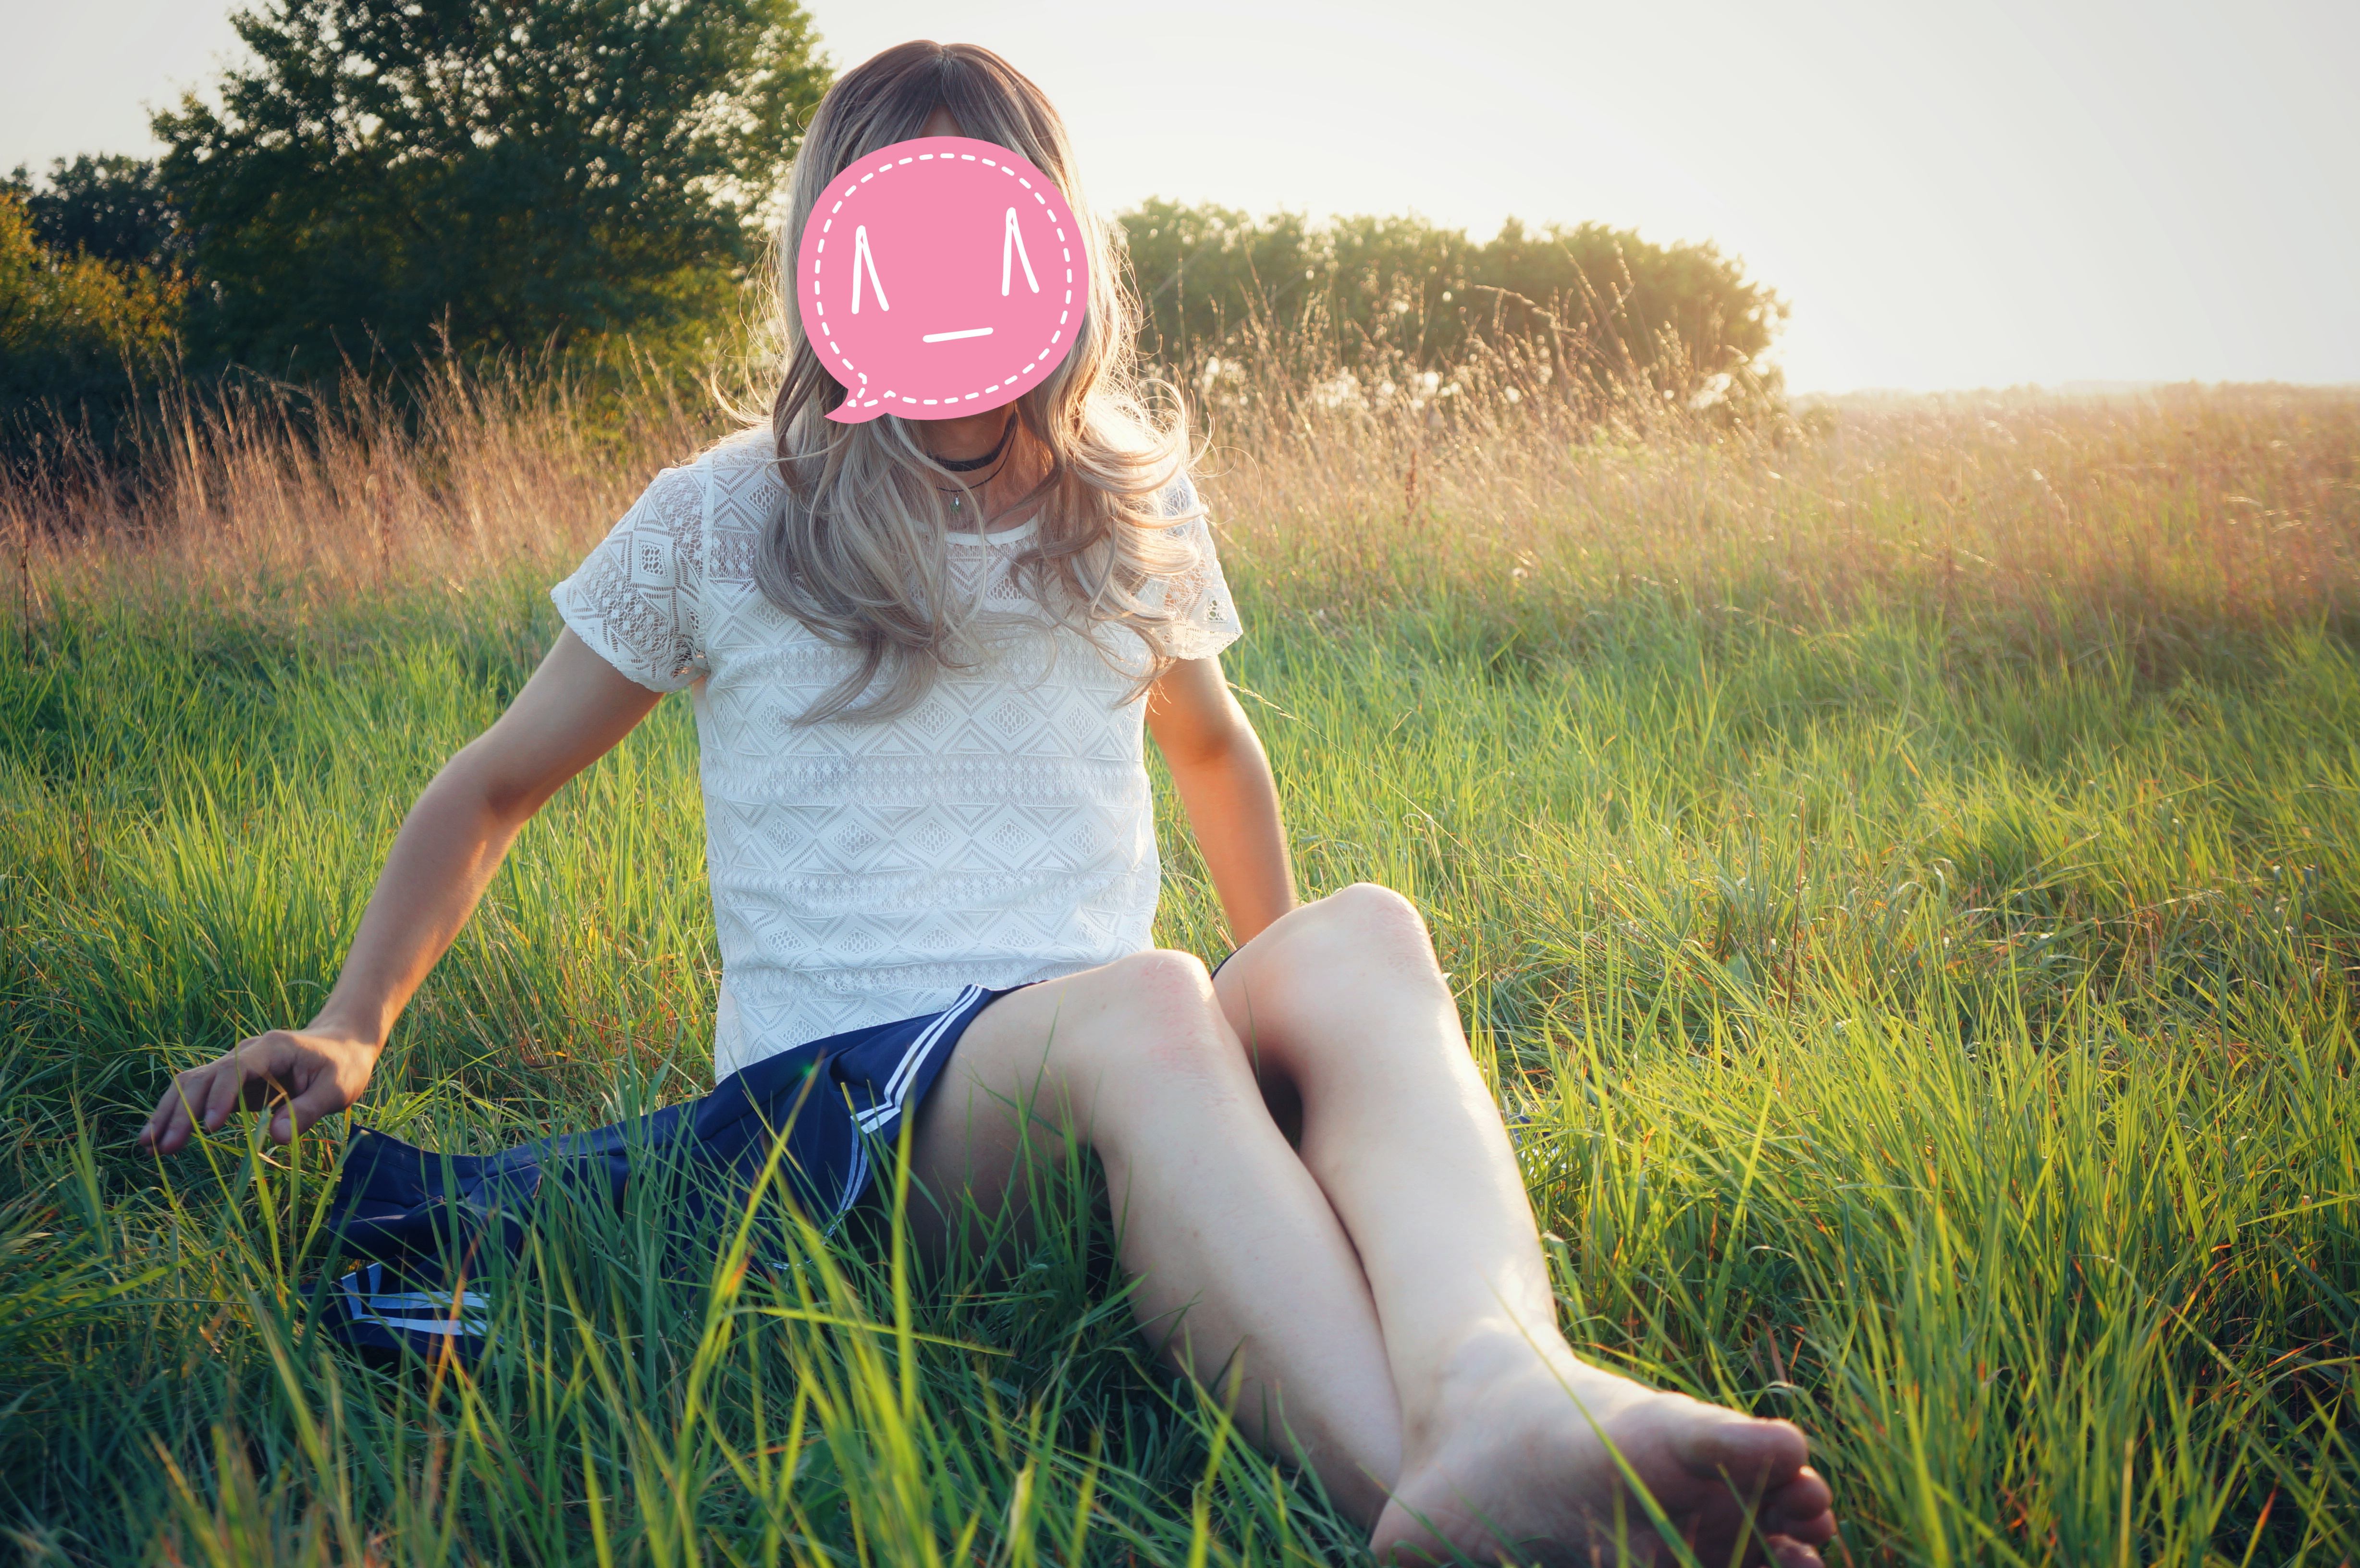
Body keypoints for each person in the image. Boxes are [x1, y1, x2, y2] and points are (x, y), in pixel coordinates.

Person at [137, 39, 1838, 1567]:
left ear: (1060, 259)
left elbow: (1213, 749)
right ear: (833, 270)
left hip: (1120, 1081)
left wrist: (1288, 1042)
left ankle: (1507, 1389)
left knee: (1362, 938)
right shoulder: (728, 517)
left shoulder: (1129, 502)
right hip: (852, 1131)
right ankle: (1454, 1498)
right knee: (1146, 1003)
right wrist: (353, 1023)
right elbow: (495, 784)